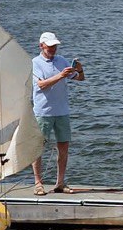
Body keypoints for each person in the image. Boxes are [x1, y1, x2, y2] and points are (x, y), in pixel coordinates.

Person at [31, 31, 85, 195]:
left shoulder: (61, 60)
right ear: (42, 46)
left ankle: (60, 182)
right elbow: (41, 85)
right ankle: (38, 182)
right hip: (43, 111)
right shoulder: (35, 63)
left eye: (55, 46)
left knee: (64, 147)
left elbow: (79, 79)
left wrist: (80, 71)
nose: (53, 49)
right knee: (37, 148)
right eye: (50, 46)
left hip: (62, 111)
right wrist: (61, 75)